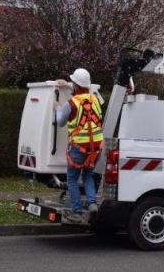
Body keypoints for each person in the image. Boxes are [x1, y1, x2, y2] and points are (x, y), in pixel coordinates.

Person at [55, 68, 103, 221]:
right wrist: (68, 84)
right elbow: (82, 93)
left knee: (72, 179)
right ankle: (92, 203)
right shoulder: (96, 99)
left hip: (79, 148)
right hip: (96, 147)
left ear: (75, 85)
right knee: (88, 175)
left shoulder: (71, 103)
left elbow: (61, 122)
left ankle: (76, 210)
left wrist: (57, 107)